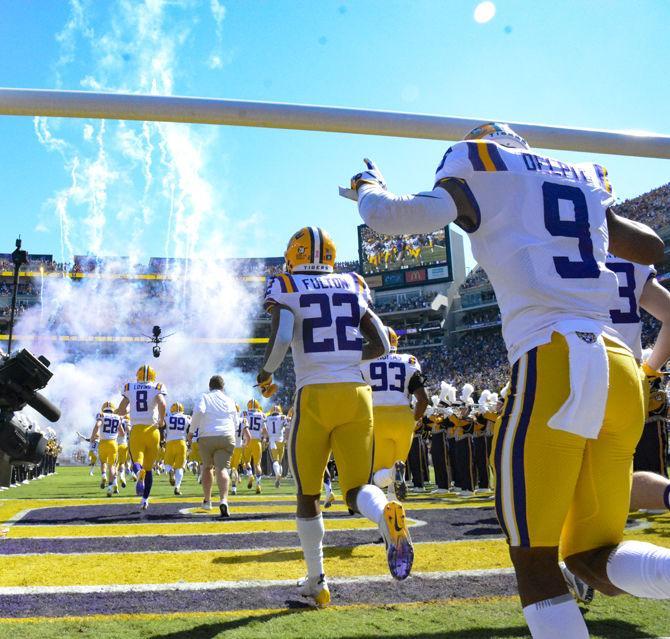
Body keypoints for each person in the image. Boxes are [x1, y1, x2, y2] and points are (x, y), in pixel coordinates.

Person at [346, 122, 667, 638]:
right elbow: (649, 248)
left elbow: (388, 217)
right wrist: (599, 214)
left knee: (536, 562)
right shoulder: (580, 177)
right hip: (618, 365)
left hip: (554, 359)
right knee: (591, 557)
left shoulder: (483, 166)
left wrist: (366, 186)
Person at [257, 226, 414, 608]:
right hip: (358, 395)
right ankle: (384, 515)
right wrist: (343, 360)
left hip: (315, 395)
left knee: (308, 495)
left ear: (293, 255)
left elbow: (282, 336)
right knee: (357, 488)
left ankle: (318, 581)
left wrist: (266, 374)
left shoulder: (286, 283)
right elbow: (379, 341)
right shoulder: (353, 281)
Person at [360, 327, 429, 500]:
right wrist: (414, 420)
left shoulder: (363, 362)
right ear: (395, 341)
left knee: (380, 474)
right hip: (403, 418)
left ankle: (392, 478)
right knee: (398, 465)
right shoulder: (409, 361)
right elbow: (423, 399)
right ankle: (395, 509)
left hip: (377, 418)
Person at [116, 365, 167, 511]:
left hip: (137, 430)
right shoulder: (157, 386)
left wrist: (126, 410)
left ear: (137, 375)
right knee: (149, 468)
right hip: (153, 430)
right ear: (153, 375)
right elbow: (162, 403)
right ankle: (145, 499)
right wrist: (162, 421)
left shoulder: (130, 387)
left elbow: (121, 410)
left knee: (137, 461)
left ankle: (138, 473)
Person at [191, 375, 238, 518]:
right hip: (226, 435)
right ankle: (224, 500)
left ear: (209, 386)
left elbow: (199, 411)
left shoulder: (205, 397)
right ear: (223, 387)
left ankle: (207, 501)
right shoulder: (230, 400)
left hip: (207, 435)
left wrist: (191, 431)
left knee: (207, 467)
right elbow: (236, 421)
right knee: (222, 468)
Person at [90, 401, 125, 497]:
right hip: (113, 444)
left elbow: (97, 425)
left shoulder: (101, 415)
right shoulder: (117, 417)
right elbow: (122, 433)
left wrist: (93, 437)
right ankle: (110, 487)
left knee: (103, 462)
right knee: (112, 466)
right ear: (113, 409)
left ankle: (103, 475)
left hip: (103, 443)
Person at [164, 402, 191, 496]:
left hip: (170, 442)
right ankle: (177, 487)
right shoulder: (187, 418)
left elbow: (161, 427)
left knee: (167, 464)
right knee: (180, 467)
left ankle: (170, 470)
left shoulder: (167, 417)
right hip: (182, 442)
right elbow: (191, 430)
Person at [243, 399, 267, 494]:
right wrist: (264, 439)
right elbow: (265, 430)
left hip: (247, 440)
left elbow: (242, 427)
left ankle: (250, 475)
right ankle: (258, 485)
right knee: (257, 464)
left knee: (247, 461)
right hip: (257, 441)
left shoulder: (244, 413)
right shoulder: (262, 414)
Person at [230, 404, 251, 495]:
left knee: (228, 468)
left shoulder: (228, 420)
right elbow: (249, 437)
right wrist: (245, 444)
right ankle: (234, 488)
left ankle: (229, 486)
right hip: (238, 446)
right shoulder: (243, 420)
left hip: (229, 446)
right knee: (234, 468)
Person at [266, 404, 286, 488]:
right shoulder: (282, 417)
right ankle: (279, 478)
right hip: (281, 441)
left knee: (275, 461)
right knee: (279, 462)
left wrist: (265, 439)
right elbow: (286, 427)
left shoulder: (267, 418)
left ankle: (277, 474)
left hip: (272, 441)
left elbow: (264, 429)